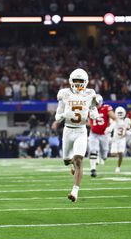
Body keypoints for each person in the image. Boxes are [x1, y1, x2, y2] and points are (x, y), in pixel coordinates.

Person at [54, 68, 99, 202]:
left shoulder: (90, 94)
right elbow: (57, 117)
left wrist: (94, 114)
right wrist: (63, 115)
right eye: (76, 81)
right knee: (66, 161)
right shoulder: (64, 94)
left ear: (86, 82)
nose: (78, 83)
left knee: (78, 159)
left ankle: (75, 191)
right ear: (70, 81)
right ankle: (71, 164)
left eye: (81, 81)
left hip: (81, 130)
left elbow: (94, 110)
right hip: (68, 131)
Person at [88, 94, 116, 177]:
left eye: (97, 103)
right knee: (93, 150)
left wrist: (110, 127)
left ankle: (100, 157)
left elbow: (115, 119)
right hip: (93, 133)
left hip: (104, 135)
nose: (95, 105)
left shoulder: (106, 108)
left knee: (104, 155)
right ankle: (93, 170)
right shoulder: (89, 109)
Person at [105, 106, 131, 173]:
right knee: (113, 154)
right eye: (119, 113)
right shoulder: (115, 121)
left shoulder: (127, 121)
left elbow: (129, 132)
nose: (120, 114)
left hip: (122, 139)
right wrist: (108, 132)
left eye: (121, 113)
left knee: (121, 153)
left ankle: (118, 167)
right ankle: (104, 156)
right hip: (115, 139)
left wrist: (127, 131)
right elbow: (110, 128)